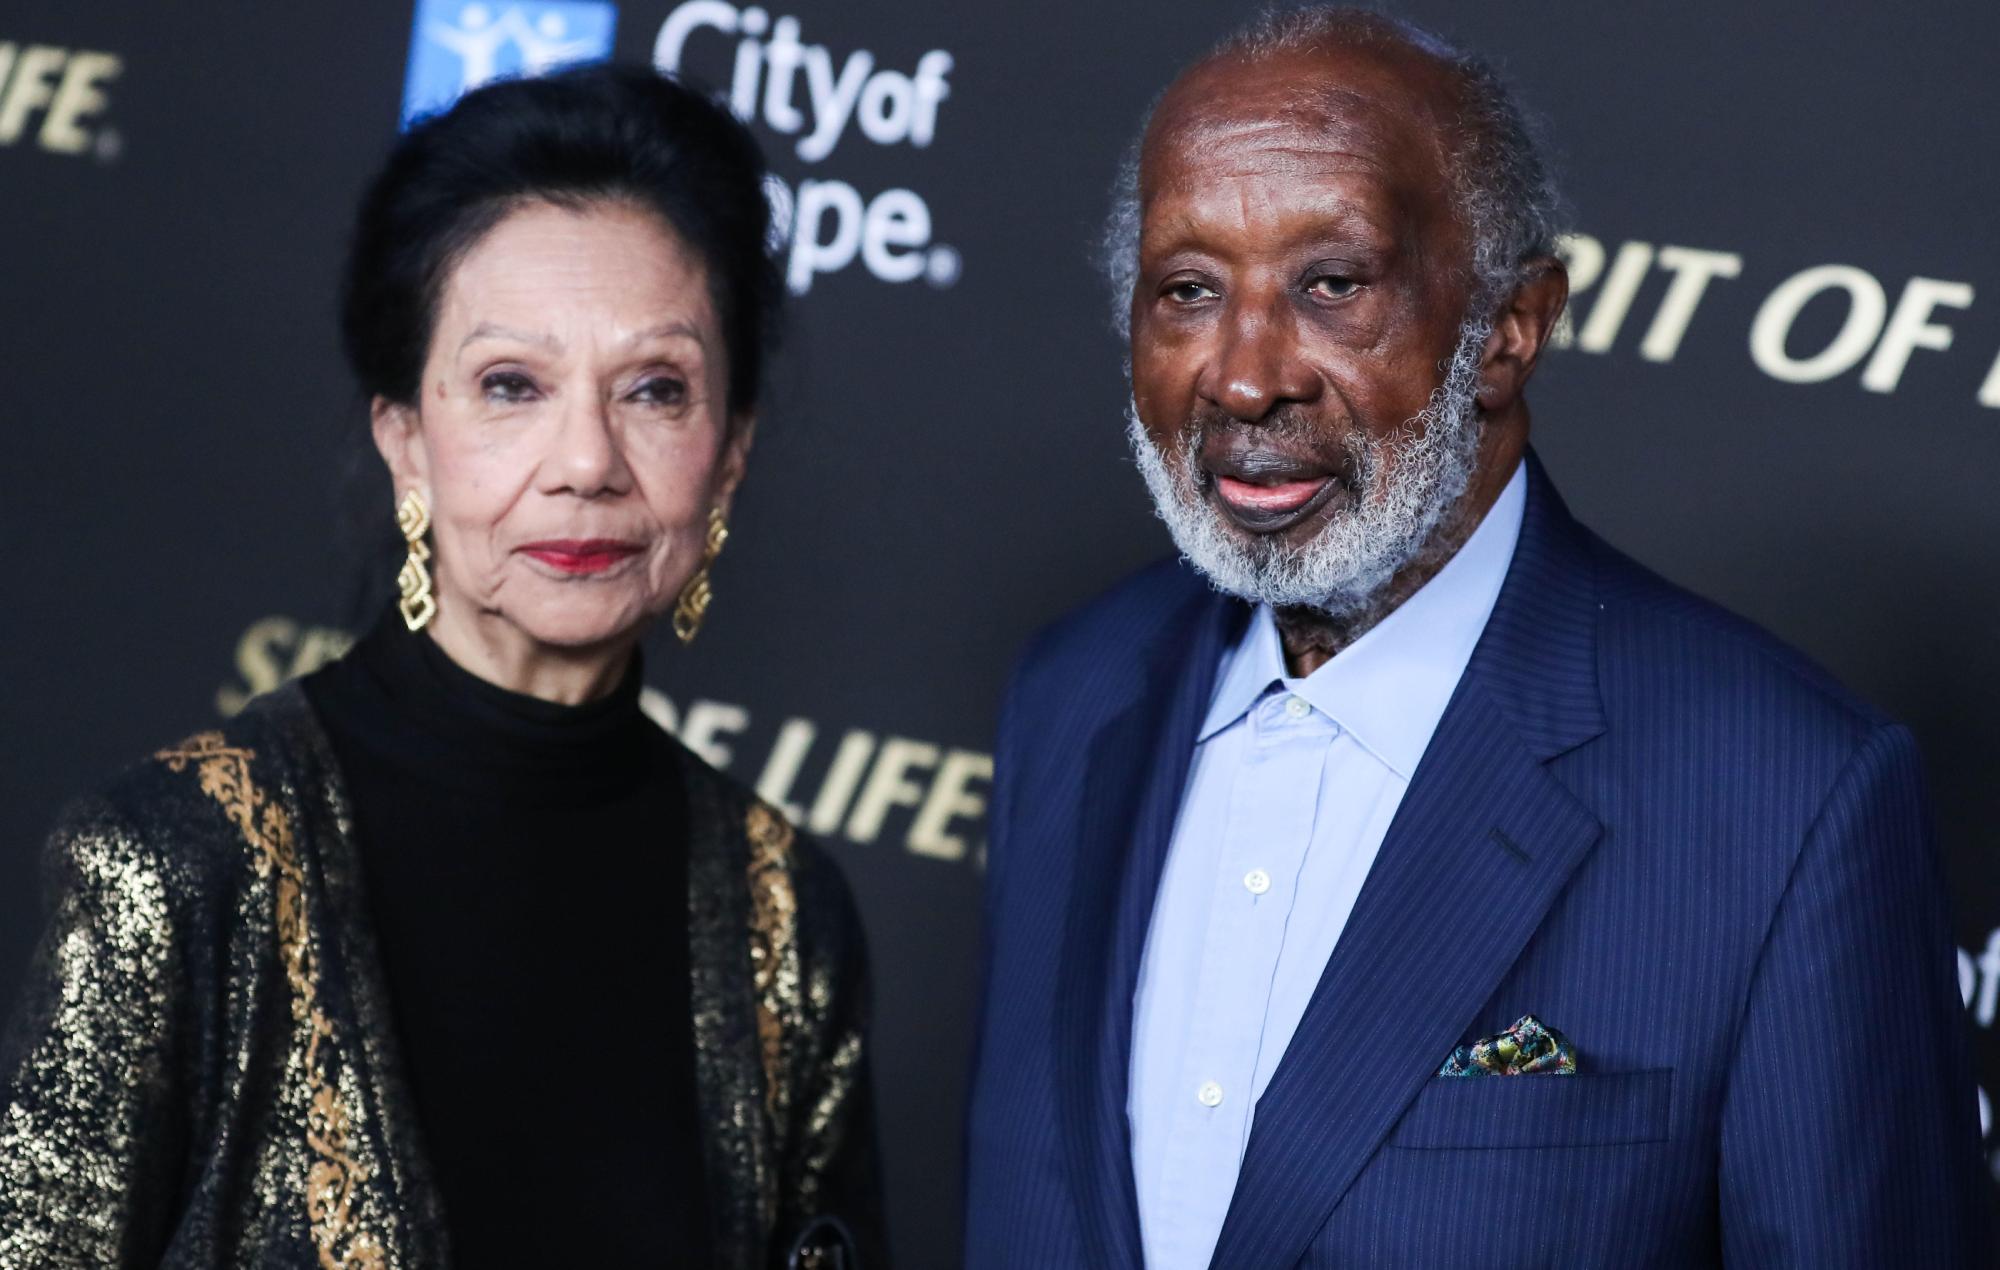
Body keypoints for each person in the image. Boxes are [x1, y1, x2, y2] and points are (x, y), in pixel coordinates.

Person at [965, 9, 1987, 1268]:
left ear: (1509, 326)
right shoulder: (1071, 693)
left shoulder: (1788, 800)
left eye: (1330, 285)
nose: (1240, 377)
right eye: (1187, 291)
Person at [0, 65, 882, 1269]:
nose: (585, 460)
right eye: (510, 385)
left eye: (655, 390)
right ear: (406, 438)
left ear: (727, 456)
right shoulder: (175, 862)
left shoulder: (785, 910)